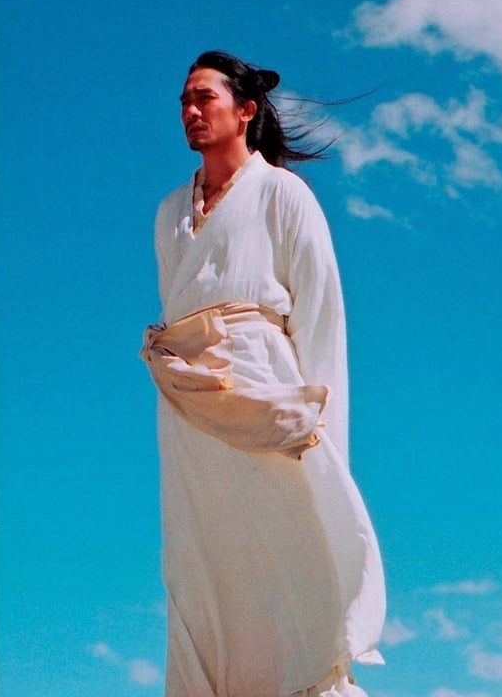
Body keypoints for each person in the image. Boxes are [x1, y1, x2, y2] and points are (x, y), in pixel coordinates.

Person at [140, 51, 386, 696]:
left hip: (266, 387)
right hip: (188, 398)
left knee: (290, 543)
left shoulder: (282, 192)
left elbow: (321, 318)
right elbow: (176, 305)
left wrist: (320, 433)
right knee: (200, 554)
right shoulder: (169, 212)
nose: (191, 111)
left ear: (245, 110)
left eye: (204, 98)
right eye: (184, 101)